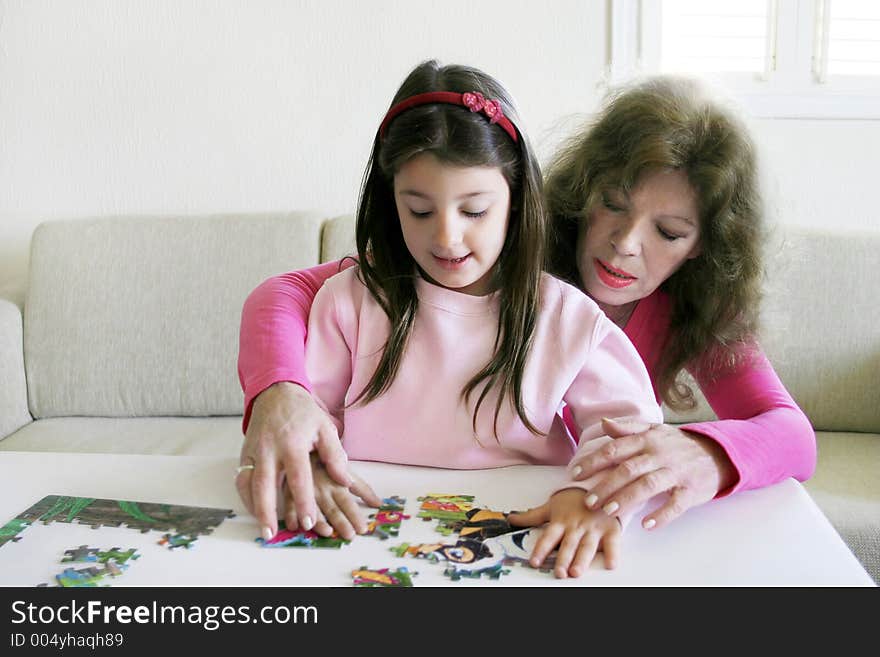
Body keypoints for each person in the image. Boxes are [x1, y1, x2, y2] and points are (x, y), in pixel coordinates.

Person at [237, 72, 816, 554]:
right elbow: (288, 293)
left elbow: (792, 434)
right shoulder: (476, 253)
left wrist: (703, 452)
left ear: (703, 247)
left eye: (668, 231)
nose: (625, 244)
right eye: (612, 204)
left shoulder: (665, 314)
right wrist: (281, 394)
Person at [237, 59, 665, 578]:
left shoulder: (566, 317)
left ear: (516, 199)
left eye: (474, 211)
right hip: (365, 535)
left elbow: (629, 432)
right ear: (389, 200)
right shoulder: (350, 300)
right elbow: (309, 418)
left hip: (525, 541)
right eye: (418, 210)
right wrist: (310, 473)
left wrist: (589, 498)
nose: (445, 238)